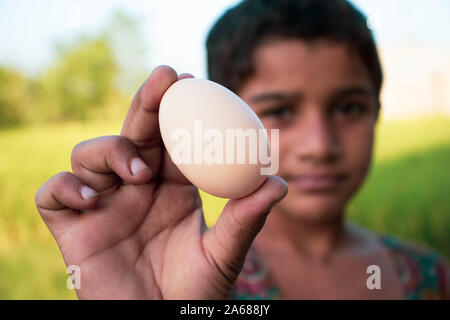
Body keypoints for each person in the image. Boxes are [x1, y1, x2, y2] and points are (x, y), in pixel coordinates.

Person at [35, 0, 449, 299]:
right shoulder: (195, 281)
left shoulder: (429, 276)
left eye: (347, 107)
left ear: (378, 110)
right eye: (280, 110)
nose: (320, 145)